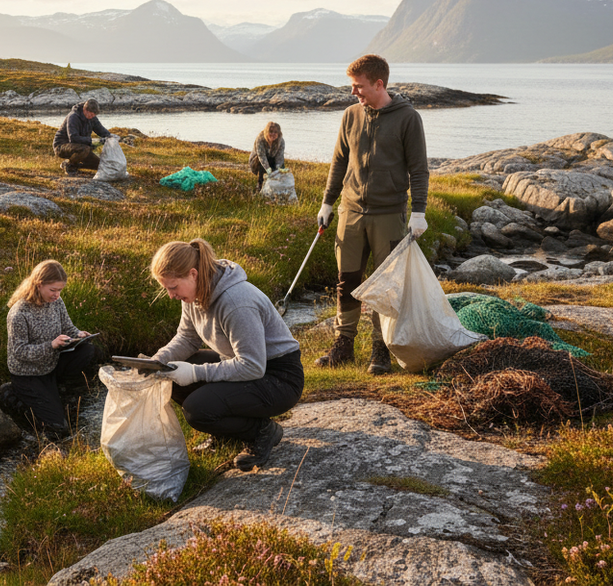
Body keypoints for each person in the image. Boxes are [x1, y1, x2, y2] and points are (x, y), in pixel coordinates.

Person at [314, 53, 429, 376]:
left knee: (385, 286)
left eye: (358, 86)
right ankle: (343, 345)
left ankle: (381, 349)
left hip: (389, 214)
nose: (354, 93)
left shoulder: (408, 119)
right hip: (350, 212)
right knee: (346, 281)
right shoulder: (351, 115)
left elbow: (419, 170)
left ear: (379, 84)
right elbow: (339, 162)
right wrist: (328, 203)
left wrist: (418, 212)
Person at [147, 238, 304, 472]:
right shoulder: (194, 293)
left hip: (279, 379)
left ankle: (262, 432)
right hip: (247, 366)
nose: (171, 295)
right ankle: (227, 432)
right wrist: (158, 360)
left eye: (173, 288)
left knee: (196, 410)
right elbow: (188, 338)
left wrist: (196, 373)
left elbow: (252, 366)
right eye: (166, 289)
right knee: (170, 373)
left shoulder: (236, 302)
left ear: (193, 274)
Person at [0, 260, 97, 437]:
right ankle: (12, 394)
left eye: (60, 290)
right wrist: (51, 345)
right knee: (58, 427)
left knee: (88, 349)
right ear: (38, 284)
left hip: (51, 365)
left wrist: (79, 334)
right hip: (28, 374)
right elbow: (19, 352)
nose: (57, 295)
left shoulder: (56, 303)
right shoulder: (19, 313)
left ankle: (59, 390)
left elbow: (68, 327)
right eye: (53, 290)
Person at [52, 98, 111, 176]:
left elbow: (101, 130)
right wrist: (92, 141)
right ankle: (70, 166)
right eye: (91, 114)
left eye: (94, 115)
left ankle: (71, 164)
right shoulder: (73, 117)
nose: (93, 116)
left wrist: (112, 137)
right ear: (85, 110)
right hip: (61, 146)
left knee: (100, 165)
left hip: (80, 147)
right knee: (85, 149)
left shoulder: (92, 118)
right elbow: (73, 138)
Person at [248, 120, 284, 192]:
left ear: (278, 133)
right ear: (267, 132)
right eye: (271, 131)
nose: (273, 134)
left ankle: (278, 185)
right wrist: (268, 169)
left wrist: (278, 169)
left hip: (272, 158)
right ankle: (260, 184)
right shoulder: (260, 139)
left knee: (281, 166)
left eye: (275, 132)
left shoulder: (281, 141)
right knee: (261, 160)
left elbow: (279, 156)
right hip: (257, 160)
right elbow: (261, 156)